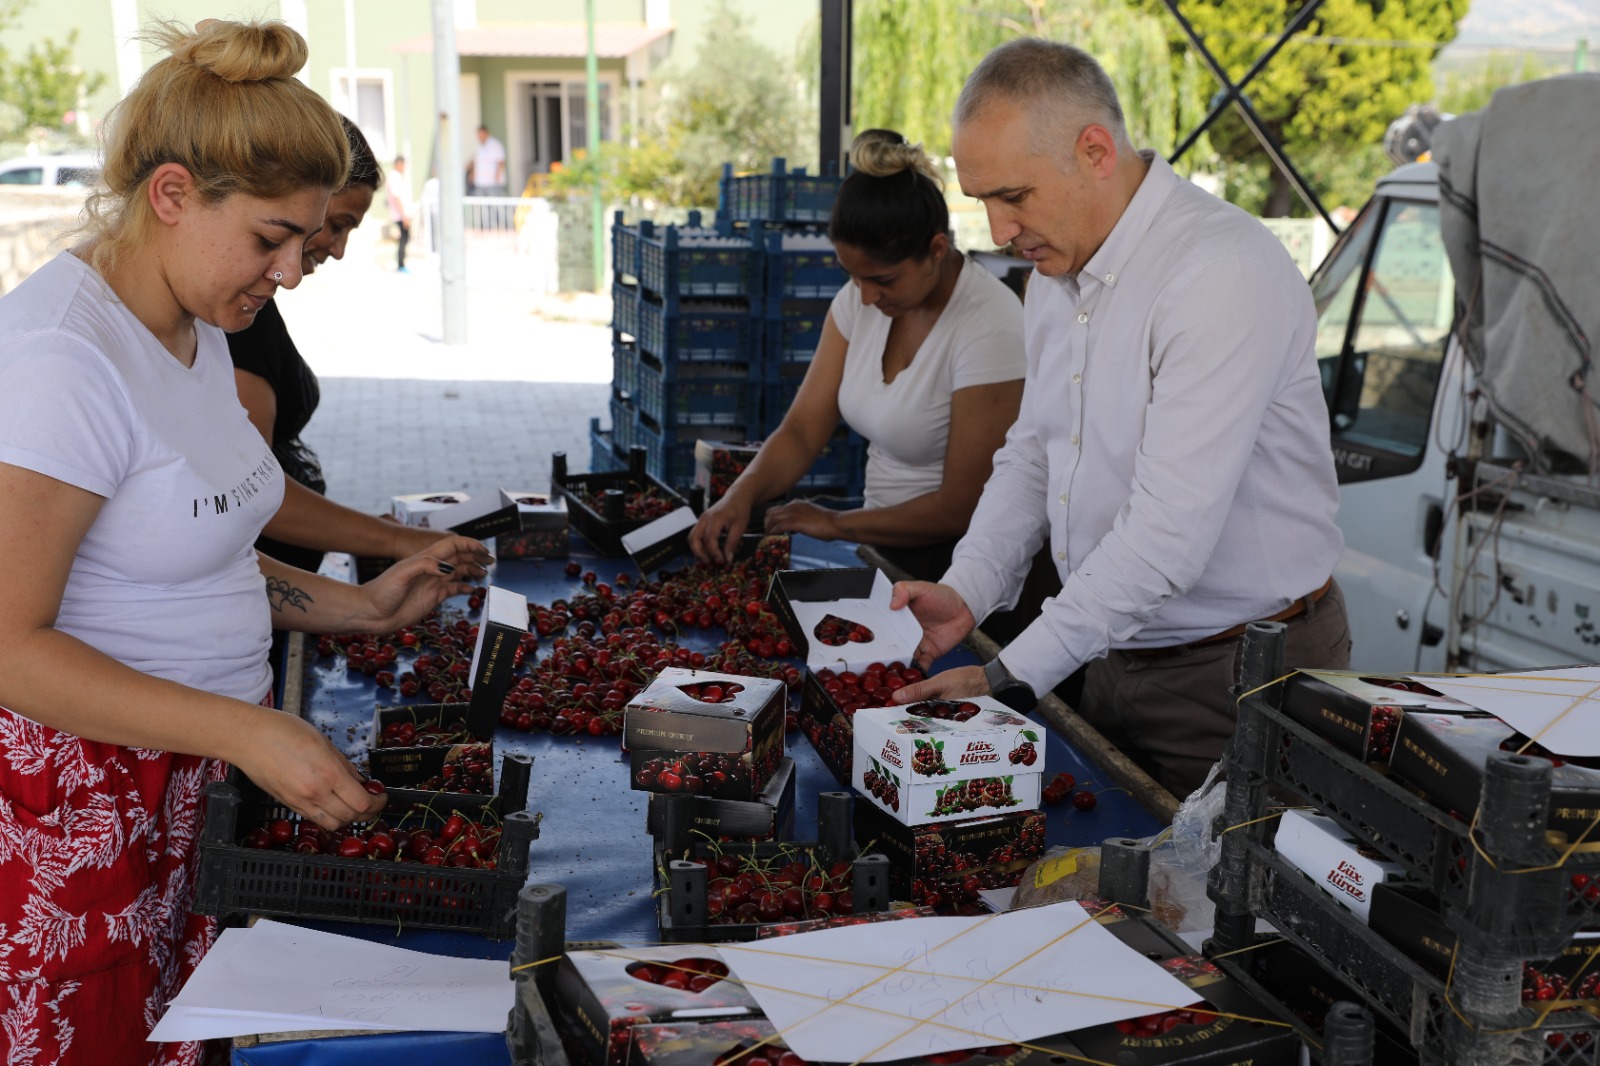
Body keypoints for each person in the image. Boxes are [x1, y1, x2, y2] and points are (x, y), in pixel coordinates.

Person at [0, 20, 485, 1064]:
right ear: (171, 194)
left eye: (307, 243)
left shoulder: (193, 327)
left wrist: (357, 603)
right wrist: (240, 729)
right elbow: (10, 646)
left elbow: (194, 550)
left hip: (186, 779)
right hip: (86, 805)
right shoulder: (59, 360)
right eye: (273, 238)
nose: (295, 272)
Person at [890, 39, 1351, 799]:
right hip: (1108, 650)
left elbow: (1166, 538)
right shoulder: (1056, 274)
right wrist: (968, 585)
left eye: (1014, 195)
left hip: (1240, 677)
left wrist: (1012, 674)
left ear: (1096, 151)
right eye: (984, 202)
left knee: (1212, 910)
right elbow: (1036, 452)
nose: (999, 230)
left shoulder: (1218, 275)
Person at [689, 129, 1026, 582]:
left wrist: (835, 523)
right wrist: (739, 495)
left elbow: (961, 507)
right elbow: (803, 431)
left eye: (883, 280)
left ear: (936, 250)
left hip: (960, 572)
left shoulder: (991, 324)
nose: (865, 296)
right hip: (882, 549)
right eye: (853, 276)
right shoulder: (858, 300)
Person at [230, 124, 467, 579]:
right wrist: (393, 542)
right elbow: (249, 490)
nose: (336, 250)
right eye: (332, 226)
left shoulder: (248, 307)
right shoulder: (233, 319)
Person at [387, 154, 413, 272]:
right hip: (400, 215)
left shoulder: (396, 177)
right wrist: (404, 216)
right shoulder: (394, 177)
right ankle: (401, 265)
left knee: (404, 238)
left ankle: (401, 263)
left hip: (401, 214)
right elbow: (397, 198)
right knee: (404, 239)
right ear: (399, 164)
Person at [469, 124, 506, 196]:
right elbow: (476, 162)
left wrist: (498, 176)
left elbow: (501, 161)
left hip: (493, 182)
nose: (479, 136)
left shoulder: (495, 145)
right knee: (482, 205)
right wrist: (472, 174)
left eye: (481, 134)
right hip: (480, 182)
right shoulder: (479, 147)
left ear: (486, 133)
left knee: (494, 205)